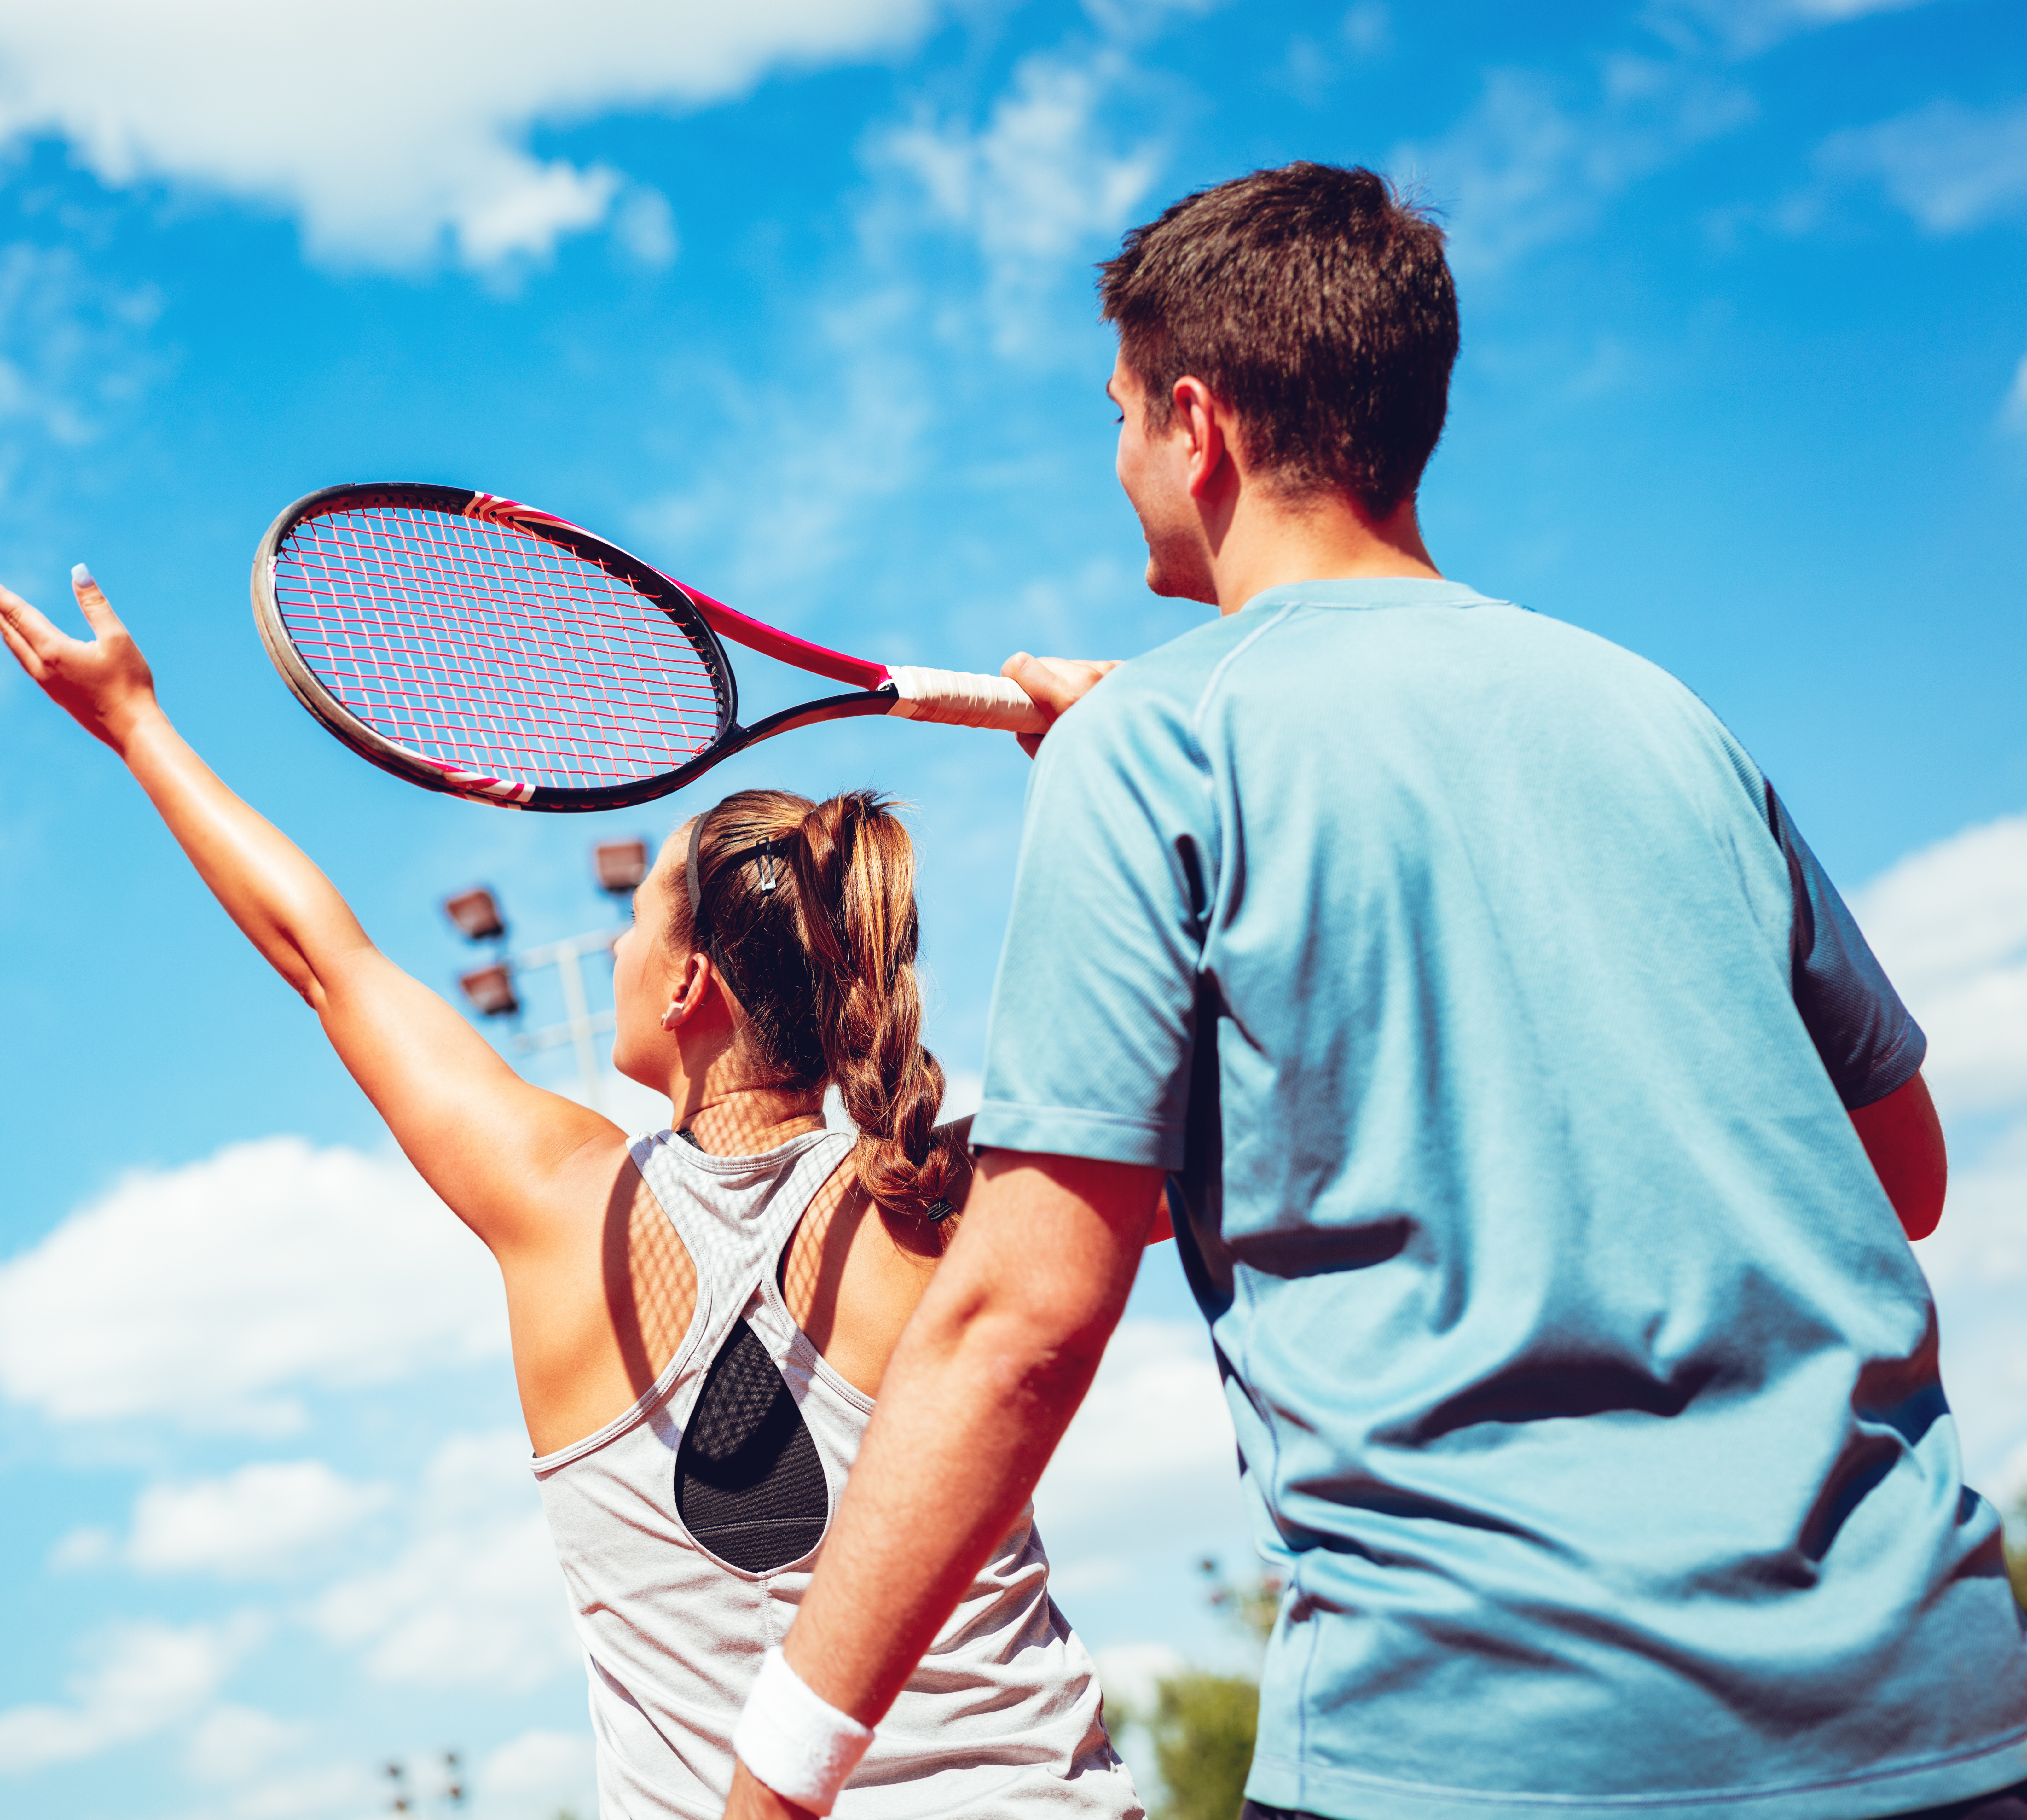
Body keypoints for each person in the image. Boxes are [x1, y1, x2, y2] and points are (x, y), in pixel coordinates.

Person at [721, 161, 2027, 1820]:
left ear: (1193, 424)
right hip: (1937, 1711)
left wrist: (774, 1781)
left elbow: (1017, 1325)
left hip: (1491, 1746)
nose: (1115, 460)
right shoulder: (1657, 712)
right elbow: (1898, 1175)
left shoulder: (1154, 755)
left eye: (1117, 416)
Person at [0, 567, 1145, 1819]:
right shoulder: (947, 1191)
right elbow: (1257, 1091)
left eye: (636, 923)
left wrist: (135, 726)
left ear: (686, 984)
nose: (620, 947)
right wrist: (1132, 783)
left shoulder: (560, 1202)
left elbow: (323, 958)